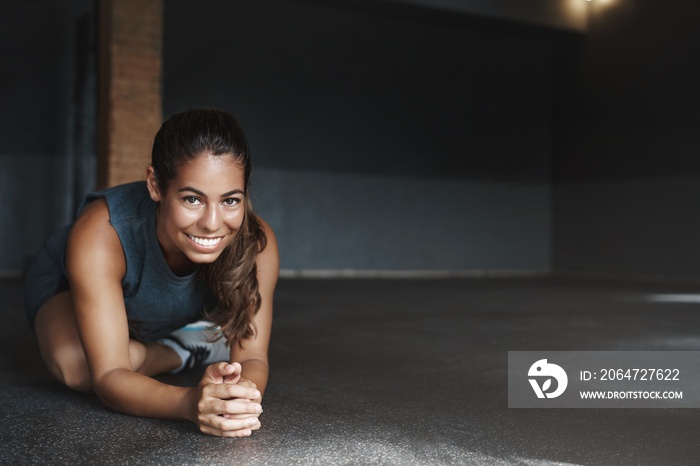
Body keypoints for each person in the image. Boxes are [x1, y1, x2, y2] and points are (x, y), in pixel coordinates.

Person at [24, 108, 279, 438]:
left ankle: (175, 343)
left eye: (230, 201)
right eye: (192, 199)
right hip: (67, 286)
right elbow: (110, 376)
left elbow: (253, 357)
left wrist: (238, 397)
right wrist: (189, 402)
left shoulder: (255, 242)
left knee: (128, 357)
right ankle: (182, 349)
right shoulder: (100, 233)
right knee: (77, 366)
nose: (213, 223)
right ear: (155, 185)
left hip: (158, 307)